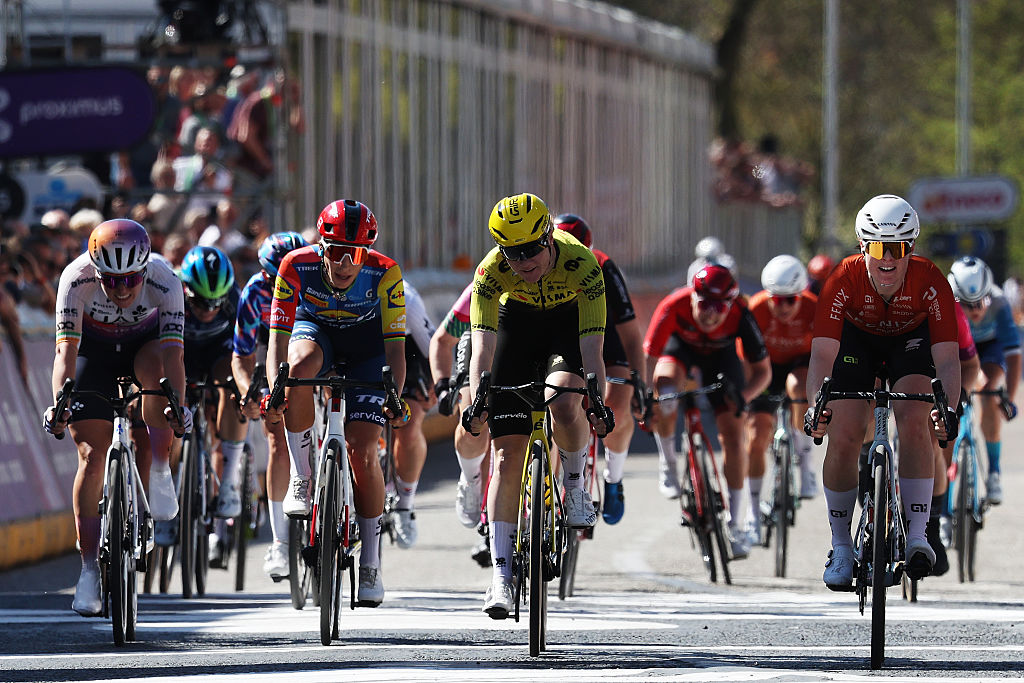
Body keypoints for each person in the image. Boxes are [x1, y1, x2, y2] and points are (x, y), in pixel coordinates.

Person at [462, 193, 610, 619]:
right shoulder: (490, 273)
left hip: (567, 327)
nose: (523, 261)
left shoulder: (581, 262)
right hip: (516, 329)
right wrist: (478, 400)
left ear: (549, 236)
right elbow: (483, 350)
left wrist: (594, 397)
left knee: (564, 403)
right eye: (513, 253)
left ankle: (577, 487)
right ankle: (501, 577)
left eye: (530, 249)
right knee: (507, 456)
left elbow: (592, 345)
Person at [805, 194, 960, 590]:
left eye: (898, 248)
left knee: (915, 420)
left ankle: (919, 535)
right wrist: (814, 409)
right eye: (877, 247)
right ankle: (841, 546)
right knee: (844, 431)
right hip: (857, 345)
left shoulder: (931, 281)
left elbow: (946, 361)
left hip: (910, 344)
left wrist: (949, 411)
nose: (887, 258)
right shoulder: (842, 279)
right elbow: (822, 356)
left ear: (912, 248)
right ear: (862, 247)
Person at [262, 199, 409, 608]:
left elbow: (396, 350)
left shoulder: (386, 273)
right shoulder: (295, 265)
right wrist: (278, 387)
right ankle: (303, 476)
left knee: (363, 451)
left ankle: (371, 564)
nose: (345, 264)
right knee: (298, 370)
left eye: (355, 254)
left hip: (368, 349)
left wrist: (395, 397)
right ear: (321, 247)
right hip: (316, 334)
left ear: (367, 252)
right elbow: (278, 339)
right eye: (337, 253)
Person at [44, 219, 189, 616]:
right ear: (96, 271)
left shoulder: (165, 279)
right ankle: (89, 568)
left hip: (146, 347)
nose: (122, 289)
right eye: (112, 281)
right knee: (92, 455)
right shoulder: (75, 279)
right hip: (94, 351)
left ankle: (159, 468)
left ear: (144, 270)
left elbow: (175, 356)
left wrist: (180, 406)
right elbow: (65, 355)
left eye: (130, 279)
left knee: (157, 374)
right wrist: (60, 402)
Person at [644, 263, 771, 558]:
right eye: (704, 304)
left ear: (731, 303)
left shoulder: (741, 313)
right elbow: (649, 357)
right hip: (679, 352)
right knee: (665, 388)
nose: (711, 314)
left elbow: (762, 373)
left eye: (720, 307)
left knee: (733, 435)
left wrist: (744, 397)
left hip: (721, 362)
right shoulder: (674, 304)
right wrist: (647, 396)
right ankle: (669, 464)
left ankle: (736, 524)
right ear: (691, 296)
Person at [553, 214, 646, 524]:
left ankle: (614, 478)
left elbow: (631, 334)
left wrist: (639, 382)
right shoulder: (540, 262)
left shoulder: (604, 266)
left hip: (603, 337)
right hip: (562, 339)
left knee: (617, 403)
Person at [232, 231, 307, 580]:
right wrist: (249, 391)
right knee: (276, 439)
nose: (282, 285)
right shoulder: (254, 292)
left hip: (310, 349)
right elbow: (241, 355)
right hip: (271, 356)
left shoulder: (314, 280)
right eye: (274, 277)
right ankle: (280, 542)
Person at [176, 245, 248, 568]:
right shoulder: (172, 295)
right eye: (201, 302)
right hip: (179, 354)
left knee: (231, 389)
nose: (208, 309)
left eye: (216, 303)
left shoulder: (236, 300)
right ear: (186, 290)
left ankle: (228, 480)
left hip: (220, 355)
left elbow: (246, 352)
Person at [745, 255, 819, 546]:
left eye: (791, 300)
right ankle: (751, 513)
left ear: (801, 295)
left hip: (800, 365)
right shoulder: (757, 308)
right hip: (765, 368)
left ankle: (805, 464)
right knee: (757, 437)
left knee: (798, 386)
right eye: (778, 300)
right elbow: (745, 357)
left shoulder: (815, 308)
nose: (783, 307)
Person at [946, 256, 1020, 506]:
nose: (976, 310)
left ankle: (994, 473)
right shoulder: (942, 301)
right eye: (968, 304)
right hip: (956, 348)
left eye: (981, 301)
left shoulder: (999, 302)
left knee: (989, 392)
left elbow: (1013, 354)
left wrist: (1007, 396)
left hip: (988, 349)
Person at [429, 282, 492, 531]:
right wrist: (442, 386)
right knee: (473, 421)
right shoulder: (485, 284)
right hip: (480, 342)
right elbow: (442, 341)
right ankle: (471, 475)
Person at [387, 279, 438, 549]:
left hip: (405, 350)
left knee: (409, 423)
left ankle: (405, 505)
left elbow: (432, 347)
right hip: (356, 349)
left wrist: (437, 382)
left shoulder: (405, 295)